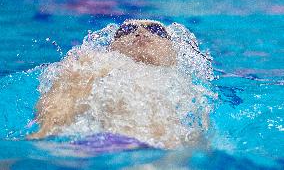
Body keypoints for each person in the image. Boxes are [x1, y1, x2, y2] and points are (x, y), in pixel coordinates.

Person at [28, 19, 212, 149]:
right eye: (127, 30)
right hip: (99, 143)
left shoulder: (188, 84)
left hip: (162, 149)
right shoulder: (93, 63)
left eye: (156, 30)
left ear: (174, 51)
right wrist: (44, 142)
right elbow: (58, 106)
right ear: (111, 47)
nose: (141, 32)